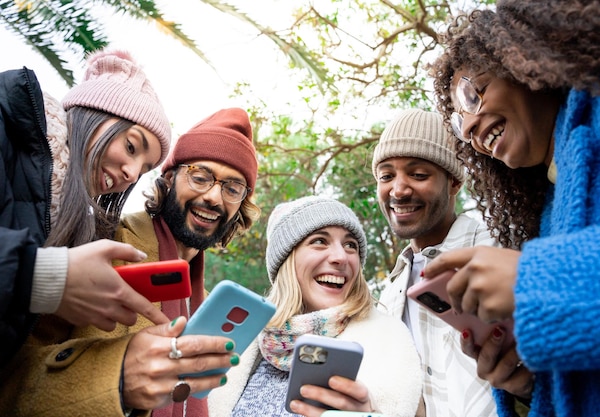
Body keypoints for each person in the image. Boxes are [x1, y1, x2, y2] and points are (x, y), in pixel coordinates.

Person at [424, 1, 600, 416]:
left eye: (471, 94)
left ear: (523, 59)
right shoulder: (547, 216)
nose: (466, 128)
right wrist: (528, 384)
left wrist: (535, 279)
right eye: (460, 125)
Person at [0, 108, 261, 417]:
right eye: (201, 177)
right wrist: (118, 378)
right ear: (168, 178)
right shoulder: (97, 243)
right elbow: (9, 376)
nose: (214, 198)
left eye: (232, 189)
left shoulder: (205, 300)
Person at [0, 48, 172, 367]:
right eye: (131, 146)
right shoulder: (5, 119)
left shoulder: (71, 223)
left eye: (144, 169)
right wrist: (43, 277)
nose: (132, 174)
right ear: (91, 113)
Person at [208, 195, 422, 417]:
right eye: (320, 241)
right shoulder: (245, 341)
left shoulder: (390, 342)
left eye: (350, 245)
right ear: (286, 260)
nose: (341, 257)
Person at [371, 108, 513, 417]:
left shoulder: (501, 250)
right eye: (386, 176)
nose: (398, 189)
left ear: (454, 182)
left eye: (418, 174)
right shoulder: (391, 292)